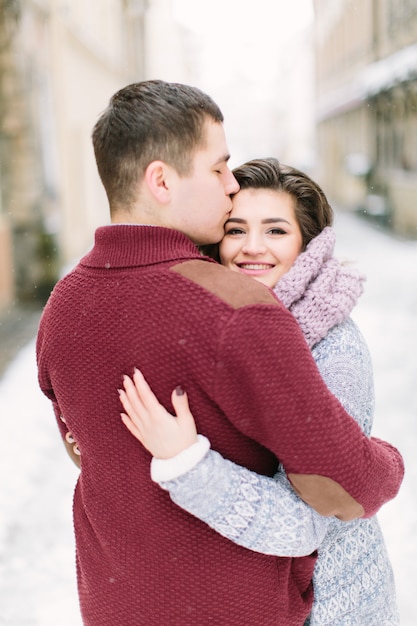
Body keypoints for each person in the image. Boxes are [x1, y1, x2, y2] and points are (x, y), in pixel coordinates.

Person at [36, 81, 403, 626]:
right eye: (217, 169)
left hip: (116, 604)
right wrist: (390, 462)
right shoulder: (236, 309)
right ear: (160, 180)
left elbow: (82, 444)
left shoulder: (64, 305)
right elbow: (347, 484)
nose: (229, 184)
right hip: (232, 608)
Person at [119, 158, 400, 625]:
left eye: (275, 231)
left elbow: (302, 521)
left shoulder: (334, 352)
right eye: (235, 230)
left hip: (329, 609)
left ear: (308, 247)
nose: (252, 249)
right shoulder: (207, 328)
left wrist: (187, 463)